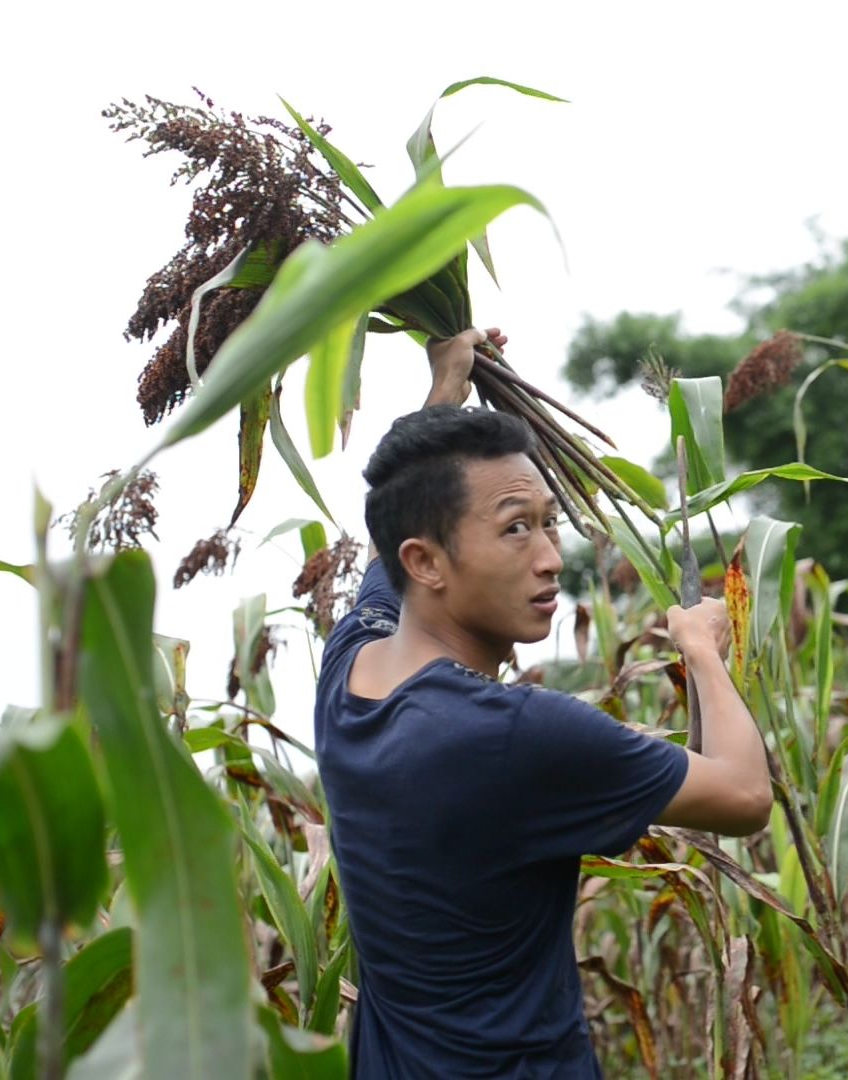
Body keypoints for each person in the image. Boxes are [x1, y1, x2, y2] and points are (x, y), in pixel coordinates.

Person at [315, 328, 772, 1079]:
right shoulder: (510, 735)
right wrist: (701, 650)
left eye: (550, 523)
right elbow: (746, 795)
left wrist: (445, 392)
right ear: (427, 562)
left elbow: (386, 548)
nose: (553, 557)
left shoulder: (350, 676)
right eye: (516, 529)